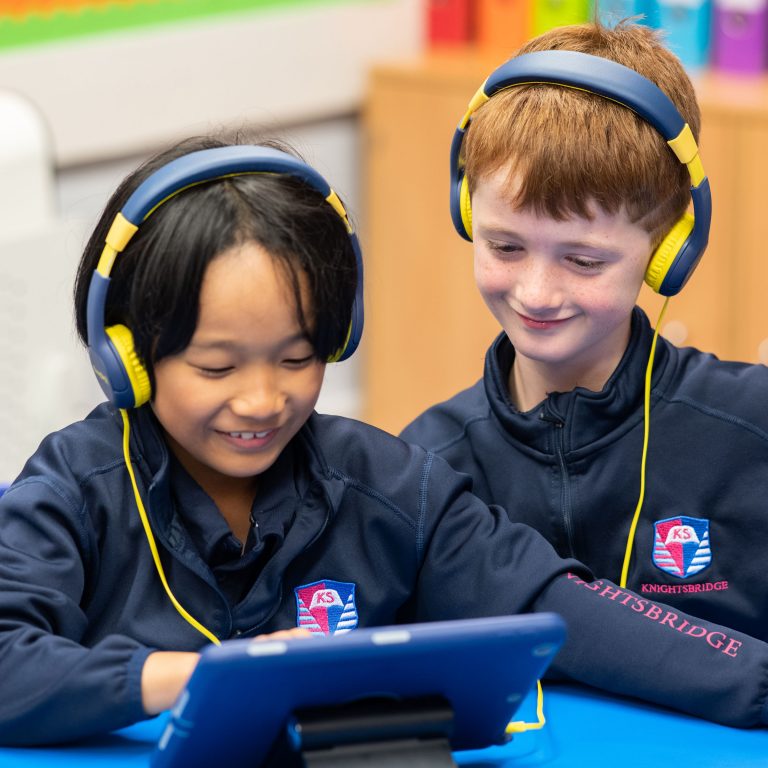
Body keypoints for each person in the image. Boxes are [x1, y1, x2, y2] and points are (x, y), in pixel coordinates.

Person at [1, 136, 767, 750]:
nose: (263, 400)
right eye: (216, 366)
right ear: (126, 357)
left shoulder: (391, 482)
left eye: (298, 359)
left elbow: (552, 601)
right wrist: (206, 676)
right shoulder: (71, 488)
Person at [401, 20, 768, 645]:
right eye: (505, 245)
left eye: (584, 260)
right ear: (468, 213)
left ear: (668, 247)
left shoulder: (752, 431)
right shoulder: (428, 466)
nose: (536, 294)